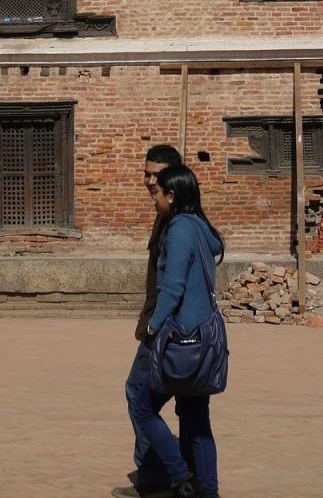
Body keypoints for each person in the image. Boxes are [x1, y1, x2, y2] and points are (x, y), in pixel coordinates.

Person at [129, 164, 224, 498]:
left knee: (143, 407)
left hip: (182, 340)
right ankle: (208, 491)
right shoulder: (200, 226)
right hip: (204, 339)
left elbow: (172, 289)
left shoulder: (180, 228)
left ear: (171, 195)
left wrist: (153, 327)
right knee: (197, 422)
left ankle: (180, 475)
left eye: (157, 193)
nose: (153, 198)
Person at [114, 144, 184, 498]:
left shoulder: (179, 220)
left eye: (156, 175)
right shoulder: (166, 212)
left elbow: (173, 286)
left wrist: (155, 326)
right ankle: (179, 474)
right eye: (146, 174)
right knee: (187, 407)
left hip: (167, 328)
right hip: (165, 325)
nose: (149, 181)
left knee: (140, 397)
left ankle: (161, 475)